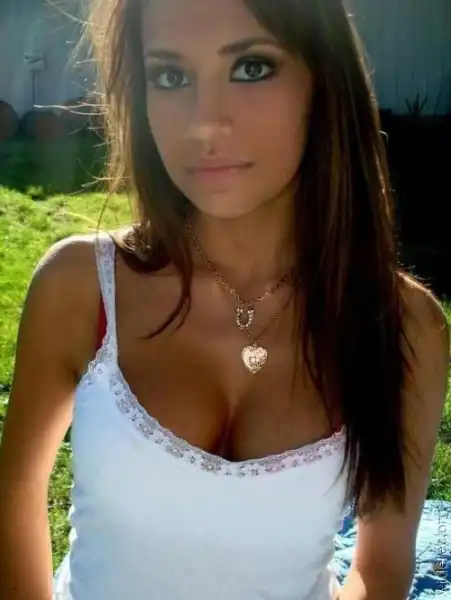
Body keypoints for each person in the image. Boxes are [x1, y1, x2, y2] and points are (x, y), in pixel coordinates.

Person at [0, 0, 449, 598]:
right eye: (170, 75)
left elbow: (383, 568)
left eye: (251, 67)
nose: (204, 124)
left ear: (324, 80)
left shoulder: (402, 327)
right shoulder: (80, 287)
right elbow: (15, 495)